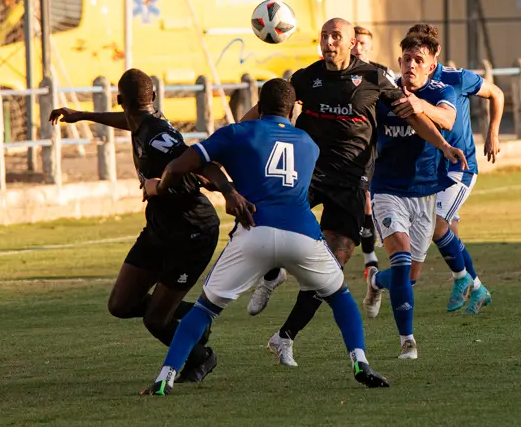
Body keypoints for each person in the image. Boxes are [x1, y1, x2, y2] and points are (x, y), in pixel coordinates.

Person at [139, 79, 389, 395]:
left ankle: (166, 377)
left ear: (258, 105)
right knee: (340, 296)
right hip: (302, 235)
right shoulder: (308, 144)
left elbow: (181, 165)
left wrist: (165, 187)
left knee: (204, 309)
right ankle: (360, 362)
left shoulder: (238, 132)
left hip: (254, 231)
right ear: (294, 108)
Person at [240, 17, 465, 367]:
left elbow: (411, 116)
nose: (329, 42)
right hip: (308, 173)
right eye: (324, 36)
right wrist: (237, 133)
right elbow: (266, 111)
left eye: (336, 36)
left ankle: (284, 337)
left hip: (351, 181)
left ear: (350, 43)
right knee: (266, 220)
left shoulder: (374, 77)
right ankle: (271, 274)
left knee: (332, 265)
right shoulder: (306, 78)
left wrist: (444, 146)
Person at [49, 69, 230, 383]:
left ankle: (201, 357)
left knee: (156, 320)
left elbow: (198, 162)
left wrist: (224, 190)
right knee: (121, 304)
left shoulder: (158, 136)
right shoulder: (144, 122)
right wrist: (82, 115)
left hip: (192, 232)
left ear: (120, 100)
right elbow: (131, 122)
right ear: (153, 97)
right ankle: (191, 316)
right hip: (160, 228)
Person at [358, 33, 467, 360]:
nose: (411, 65)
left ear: (431, 65)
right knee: (402, 258)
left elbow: (447, 119)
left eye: (419, 60)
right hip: (387, 190)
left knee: (410, 276)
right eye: (406, 59)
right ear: (399, 61)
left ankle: (376, 281)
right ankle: (408, 341)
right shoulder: (385, 93)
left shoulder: (441, 91)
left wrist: (422, 107)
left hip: (424, 193)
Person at [391, 22, 504, 314]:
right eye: (409, 55)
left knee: (436, 224)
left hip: (459, 166)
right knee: (446, 231)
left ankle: (463, 280)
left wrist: (492, 132)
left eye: (422, 53)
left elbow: (496, 93)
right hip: (431, 170)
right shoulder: (403, 83)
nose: (414, 62)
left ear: (435, 52)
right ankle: (476, 288)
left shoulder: (456, 78)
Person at [351, 25, 396, 269]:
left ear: (370, 47)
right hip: (345, 144)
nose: (358, 48)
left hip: (374, 144)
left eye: (363, 44)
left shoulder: (381, 73)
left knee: (368, 198)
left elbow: (397, 101)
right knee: (358, 199)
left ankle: (370, 256)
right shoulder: (336, 72)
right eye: (355, 42)